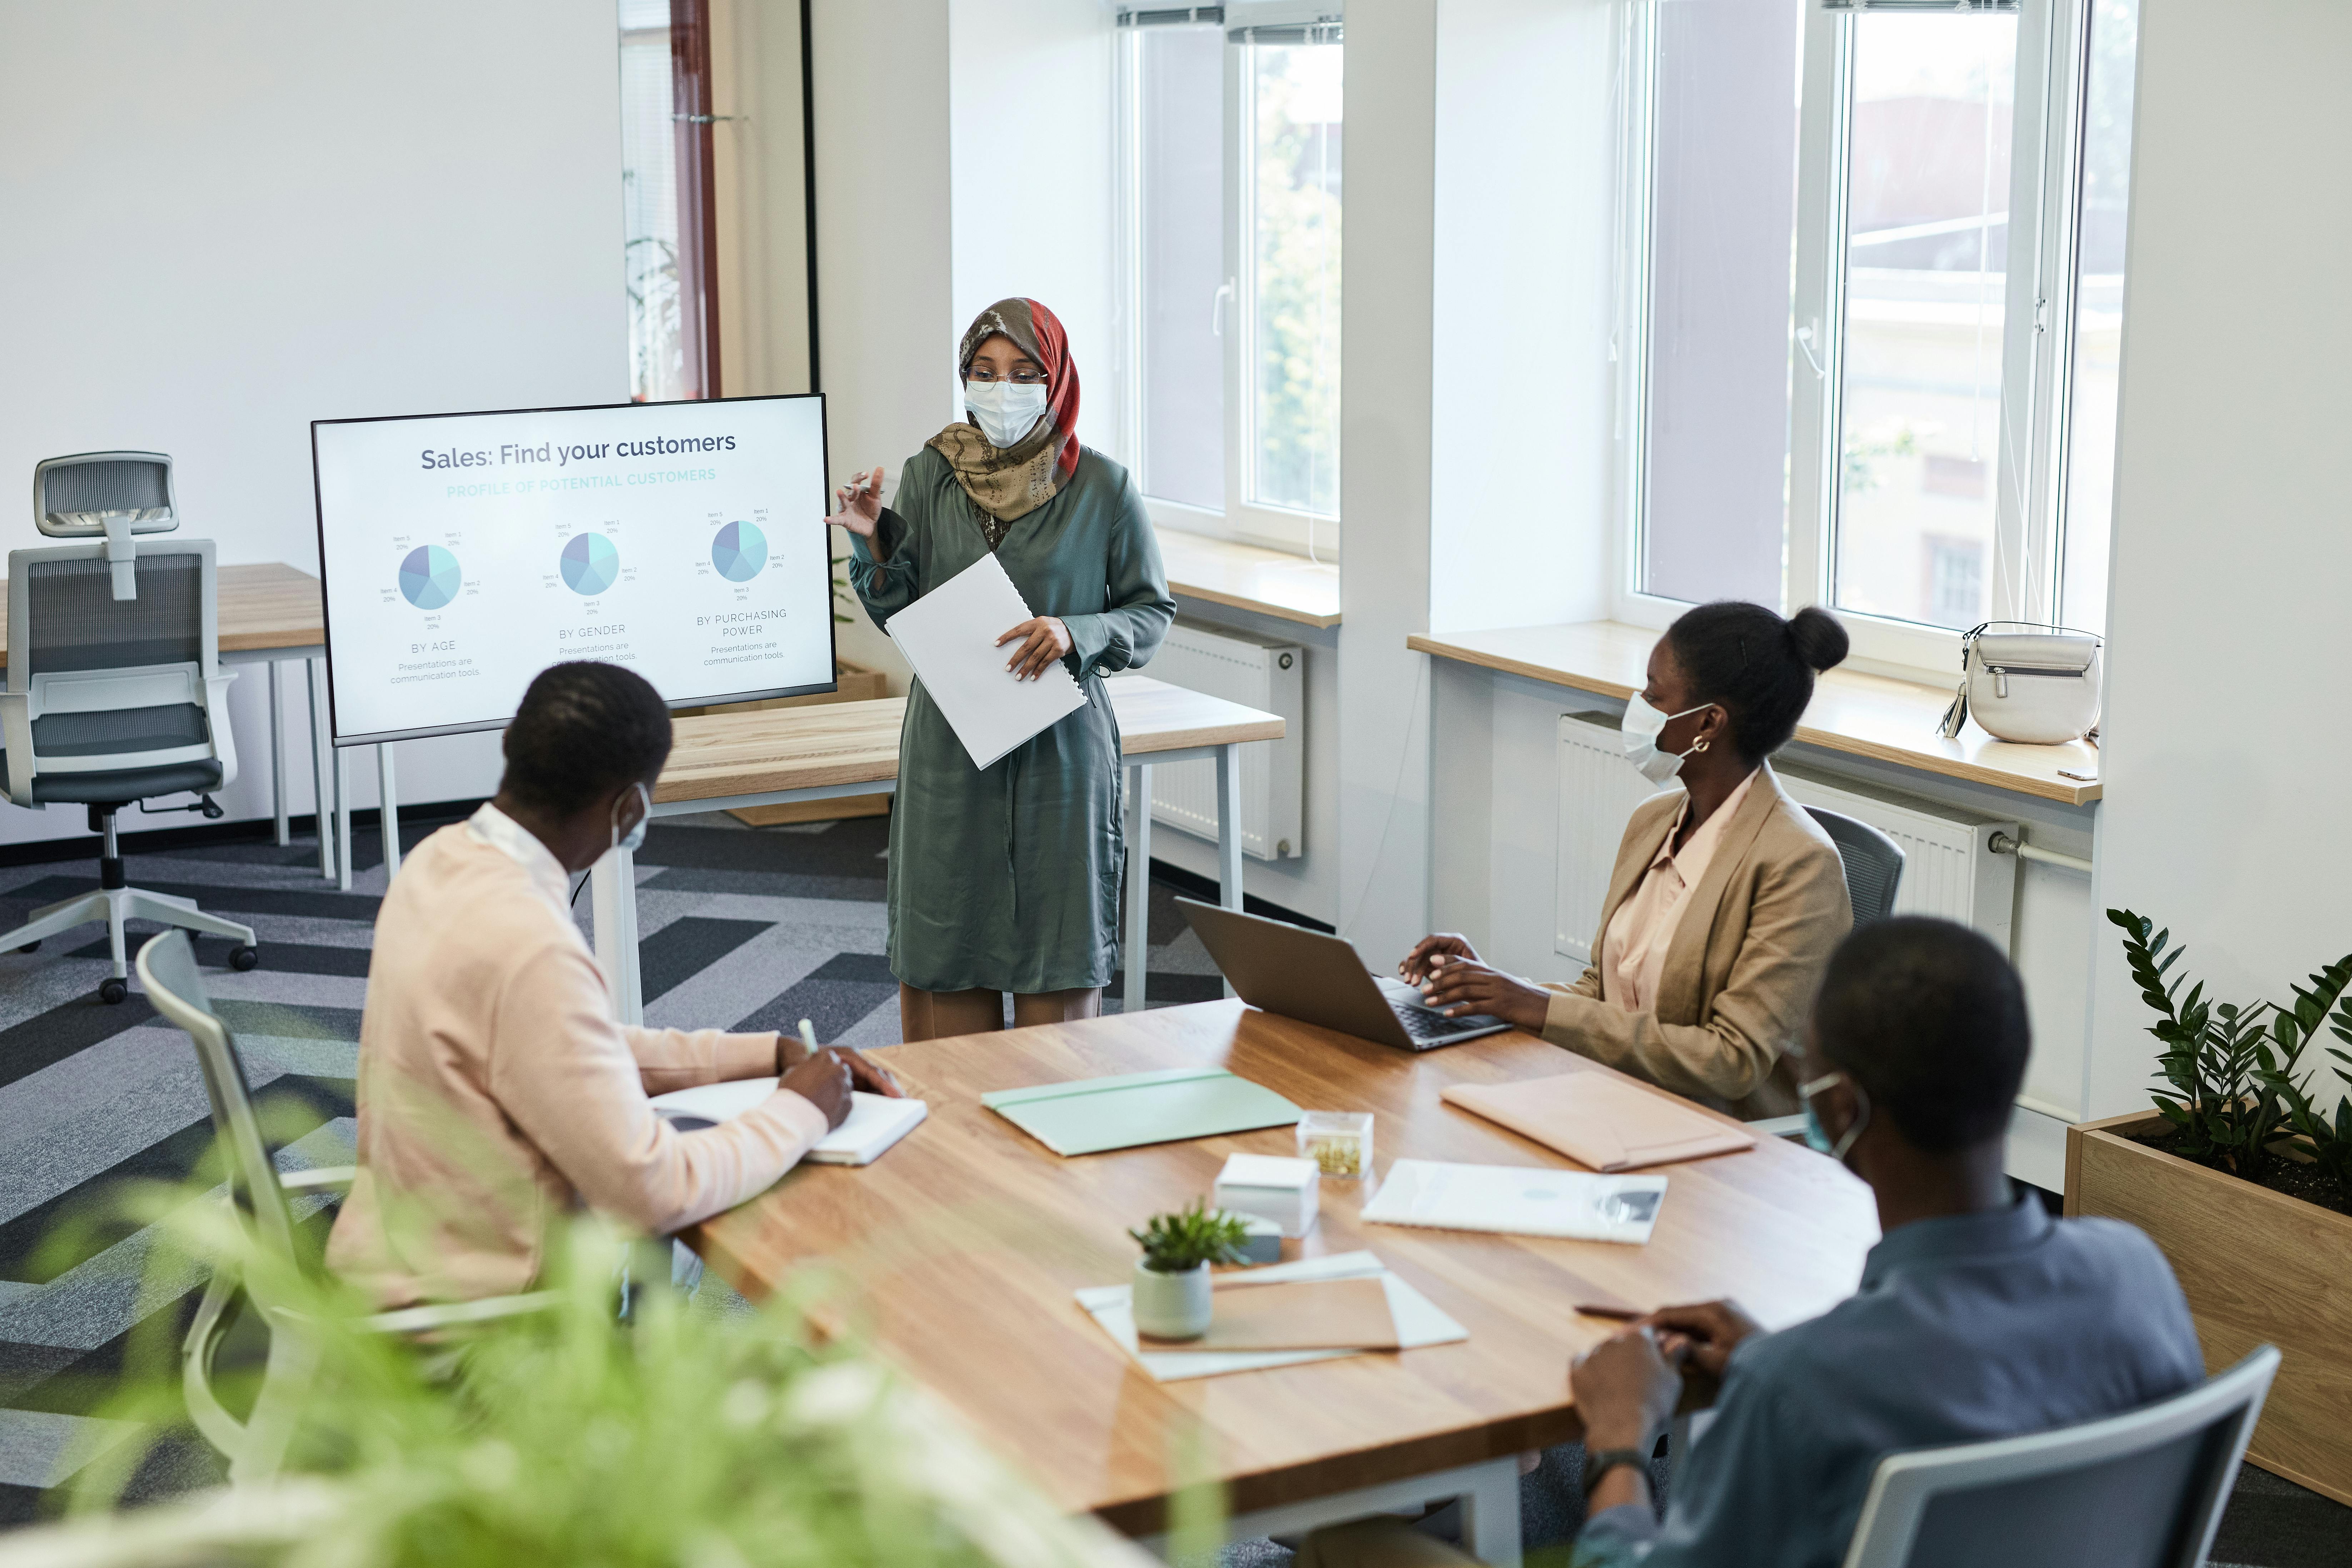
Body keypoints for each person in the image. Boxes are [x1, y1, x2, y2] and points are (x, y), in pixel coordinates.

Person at [1302, 918, 2206, 1568]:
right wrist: (1781, 1358)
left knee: (1342, 1543)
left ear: (1839, 1107)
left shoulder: (1809, 1385)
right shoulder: (2137, 1272)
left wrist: (1620, 1443)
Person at [327, 661, 900, 1309]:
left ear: (513, 742)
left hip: (409, 1257)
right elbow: (654, 1189)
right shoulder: (528, 944)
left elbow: (562, 1044)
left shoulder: (437, 860)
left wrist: (766, 1056)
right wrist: (802, 1109)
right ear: (629, 808)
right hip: (487, 1332)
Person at [828, 297, 1175, 1042]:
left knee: (1056, 956)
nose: (1001, 388)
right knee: (947, 943)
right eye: (983, 372)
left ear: (1056, 378)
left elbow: (1150, 614)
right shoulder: (930, 473)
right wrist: (873, 542)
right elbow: (901, 609)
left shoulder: (1104, 489)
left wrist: (1075, 631)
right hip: (951, 742)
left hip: (1060, 748)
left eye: (1024, 372)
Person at [1400, 601, 1855, 1119]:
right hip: (1619, 1097)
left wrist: (1532, 1006)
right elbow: (1604, 991)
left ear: (1709, 722)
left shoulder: (1799, 864)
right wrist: (1491, 988)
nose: (1638, 705)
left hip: (1720, 1138)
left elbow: (1731, 1060)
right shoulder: (1654, 821)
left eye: (1654, 694)